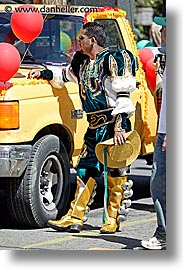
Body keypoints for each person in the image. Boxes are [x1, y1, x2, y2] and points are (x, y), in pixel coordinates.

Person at [29, 21, 137, 234]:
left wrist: (119, 128)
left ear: (92, 40)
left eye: (81, 39)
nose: (77, 43)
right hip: (93, 125)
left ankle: (112, 220)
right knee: (85, 169)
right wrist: (44, 74)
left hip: (114, 122)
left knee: (115, 170)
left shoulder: (113, 60)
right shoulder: (81, 62)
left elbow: (123, 95)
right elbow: (64, 76)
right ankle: (76, 216)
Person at [141, 16, 166, 250]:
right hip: (164, 130)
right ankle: (164, 232)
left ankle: (164, 233)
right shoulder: (166, 57)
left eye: (166, 27)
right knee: (158, 183)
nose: (162, 31)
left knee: (160, 183)